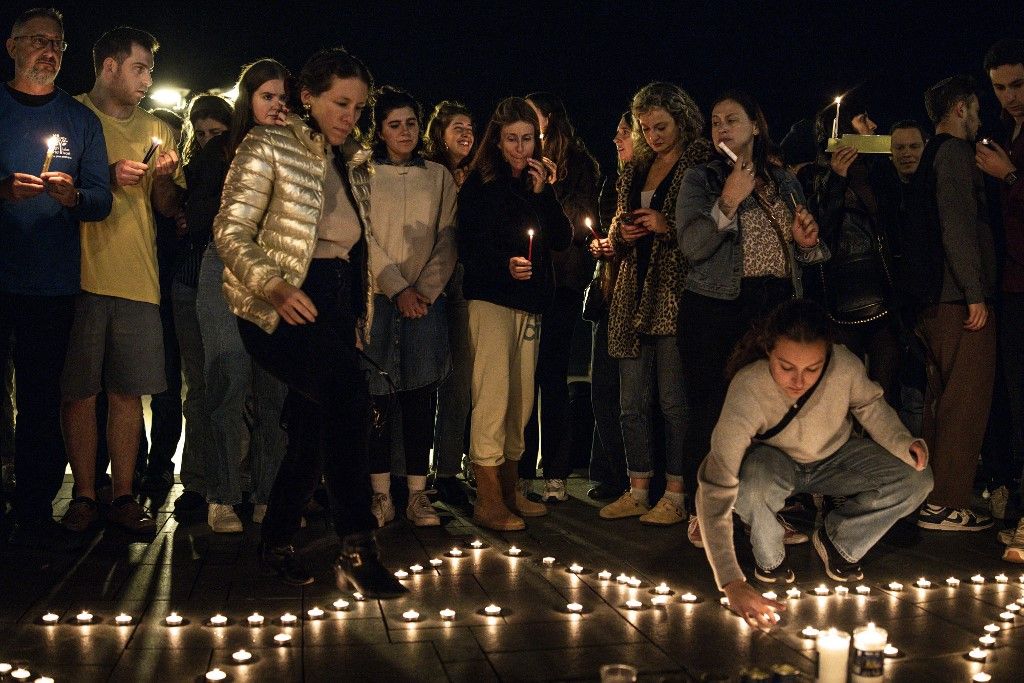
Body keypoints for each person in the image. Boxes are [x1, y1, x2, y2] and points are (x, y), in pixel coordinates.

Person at [214, 46, 406, 597]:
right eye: (340, 103)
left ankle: (275, 541)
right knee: (347, 397)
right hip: (282, 300)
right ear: (309, 98)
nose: (350, 114)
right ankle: (357, 545)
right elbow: (229, 230)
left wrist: (358, 316)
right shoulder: (268, 143)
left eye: (357, 106)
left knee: (312, 430)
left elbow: (359, 250)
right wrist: (273, 284)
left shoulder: (355, 161)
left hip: (336, 301)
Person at [696, 299, 932, 629]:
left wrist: (902, 442)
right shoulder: (748, 388)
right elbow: (715, 487)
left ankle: (839, 542)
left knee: (917, 479)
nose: (799, 381)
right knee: (752, 482)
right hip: (775, 463)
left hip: (835, 458)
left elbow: (870, 406)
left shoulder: (845, 366)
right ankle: (770, 558)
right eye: (786, 367)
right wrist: (732, 583)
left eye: (812, 369)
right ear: (768, 350)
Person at [676, 90, 827, 540]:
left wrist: (808, 242)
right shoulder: (700, 180)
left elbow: (811, 254)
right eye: (716, 120)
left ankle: (766, 511)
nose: (722, 127)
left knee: (775, 414)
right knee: (714, 409)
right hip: (718, 306)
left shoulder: (784, 181)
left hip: (777, 307)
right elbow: (692, 247)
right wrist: (727, 201)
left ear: (756, 126)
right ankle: (703, 513)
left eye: (732, 119)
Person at [60, 26, 183, 535]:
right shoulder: (71, 116)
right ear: (108, 67)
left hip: (139, 278)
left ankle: (125, 494)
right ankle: (85, 495)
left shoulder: (159, 129)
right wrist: (104, 177)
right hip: (80, 275)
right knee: (80, 393)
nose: (148, 80)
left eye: (151, 69)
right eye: (139, 68)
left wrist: (162, 181)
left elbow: (168, 211)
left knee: (129, 394)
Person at [1, 8, 111, 544]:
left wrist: (76, 196)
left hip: (50, 283)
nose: (49, 51)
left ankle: (34, 508)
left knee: (42, 399)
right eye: (39, 41)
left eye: (58, 44)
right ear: (12, 46)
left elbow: (101, 198)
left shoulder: (79, 120)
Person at [598, 82, 711, 527]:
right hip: (631, 291)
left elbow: (704, 230)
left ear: (681, 119)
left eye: (661, 126)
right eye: (646, 128)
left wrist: (667, 226)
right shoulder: (636, 167)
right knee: (631, 401)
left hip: (672, 292)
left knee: (672, 402)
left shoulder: (698, 164)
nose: (654, 135)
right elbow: (614, 227)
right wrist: (619, 236)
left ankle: (677, 493)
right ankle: (638, 487)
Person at [457, 96, 571, 531]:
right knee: (494, 396)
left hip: (531, 303)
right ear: (497, 140)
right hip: (491, 300)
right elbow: (468, 245)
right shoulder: (482, 183)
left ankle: (510, 486)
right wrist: (503, 264)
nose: (521, 148)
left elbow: (560, 239)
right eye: (512, 140)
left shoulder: (536, 183)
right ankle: (487, 496)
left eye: (528, 139)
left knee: (521, 400)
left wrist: (545, 195)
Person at [191, 60, 290, 533]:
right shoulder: (222, 152)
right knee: (228, 376)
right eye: (267, 96)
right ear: (248, 99)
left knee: (275, 385)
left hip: (280, 273)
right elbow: (205, 216)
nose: (276, 105)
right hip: (227, 268)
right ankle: (224, 494)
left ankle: (271, 494)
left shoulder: (299, 151)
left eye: (283, 97)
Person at [363, 86, 457, 528]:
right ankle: (380, 493)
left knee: (421, 393)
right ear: (380, 130)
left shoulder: (438, 176)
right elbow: (362, 237)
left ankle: (418, 493)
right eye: (394, 125)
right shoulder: (362, 172)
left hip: (425, 300)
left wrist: (423, 290)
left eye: (411, 124)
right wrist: (396, 286)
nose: (404, 132)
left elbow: (449, 235)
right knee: (376, 396)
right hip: (378, 297)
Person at [909, 76, 997, 532]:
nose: (981, 117)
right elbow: (958, 226)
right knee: (966, 400)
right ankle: (947, 502)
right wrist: (975, 292)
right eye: (976, 107)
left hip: (931, 302)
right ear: (960, 108)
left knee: (940, 400)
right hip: (956, 299)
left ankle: (931, 496)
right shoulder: (956, 155)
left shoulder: (929, 157)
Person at [519, 91, 600, 503]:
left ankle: (554, 472)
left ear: (548, 119)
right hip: (526, 279)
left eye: (532, 118)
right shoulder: (521, 159)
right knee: (521, 376)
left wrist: (551, 189)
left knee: (552, 375)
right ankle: (519, 470)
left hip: (563, 279)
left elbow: (581, 222)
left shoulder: (580, 165)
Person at [808, 94, 902, 404]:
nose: (873, 125)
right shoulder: (817, 177)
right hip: (843, 302)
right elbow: (821, 234)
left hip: (884, 295)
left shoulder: (878, 171)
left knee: (884, 396)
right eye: (862, 119)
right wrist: (836, 179)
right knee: (843, 397)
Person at [170, 93, 233, 516]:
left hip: (232, 287)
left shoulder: (241, 169)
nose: (209, 141)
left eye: (218, 133)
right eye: (202, 132)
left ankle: (235, 481)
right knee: (197, 386)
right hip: (189, 283)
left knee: (232, 386)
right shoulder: (188, 171)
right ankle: (195, 480)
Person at [977, 38, 1024, 561]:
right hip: (1009, 284)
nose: (1010, 96)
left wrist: (1008, 174)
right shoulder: (1004, 133)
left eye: (1018, 84)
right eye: (1000, 87)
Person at [423, 100, 474, 506]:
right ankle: (411, 473)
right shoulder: (427, 172)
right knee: (423, 376)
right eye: (458, 126)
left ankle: (448, 469)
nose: (467, 134)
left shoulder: (477, 177)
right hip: (428, 281)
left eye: (471, 127)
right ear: (439, 132)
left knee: (458, 377)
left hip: (463, 284)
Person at [585, 112, 632, 502]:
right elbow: (605, 231)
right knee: (602, 388)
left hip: (636, 300)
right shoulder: (613, 183)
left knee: (632, 396)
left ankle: (635, 478)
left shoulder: (656, 183)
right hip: (607, 292)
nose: (616, 137)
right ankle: (614, 473)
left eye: (625, 131)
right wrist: (601, 247)